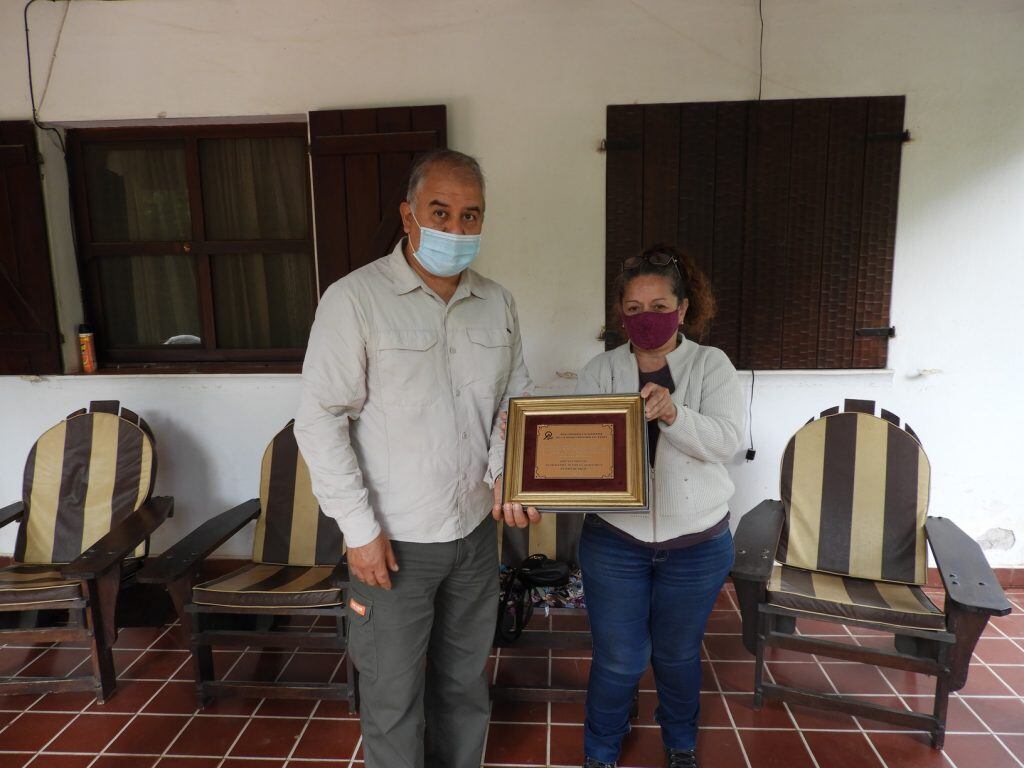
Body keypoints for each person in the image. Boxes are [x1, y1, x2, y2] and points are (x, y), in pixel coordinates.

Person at [294, 149, 532, 768]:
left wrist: (510, 472)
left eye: (470, 215)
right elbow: (320, 421)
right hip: (392, 544)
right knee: (393, 697)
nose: (456, 229)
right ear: (409, 215)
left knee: (463, 686)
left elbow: (517, 404)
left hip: (477, 536)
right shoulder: (355, 300)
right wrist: (359, 532)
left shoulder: (498, 303)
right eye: (440, 212)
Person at [575, 245, 745, 768]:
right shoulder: (599, 370)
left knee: (676, 655)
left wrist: (675, 415)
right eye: (632, 308)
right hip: (614, 541)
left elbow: (729, 442)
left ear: (684, 308)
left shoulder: (711, 365)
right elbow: (577, 452)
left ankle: (680, 744)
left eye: (658, 305)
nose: (645, 318)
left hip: (696, 544)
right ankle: (601, 750)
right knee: (619, 658)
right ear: (619, 313)